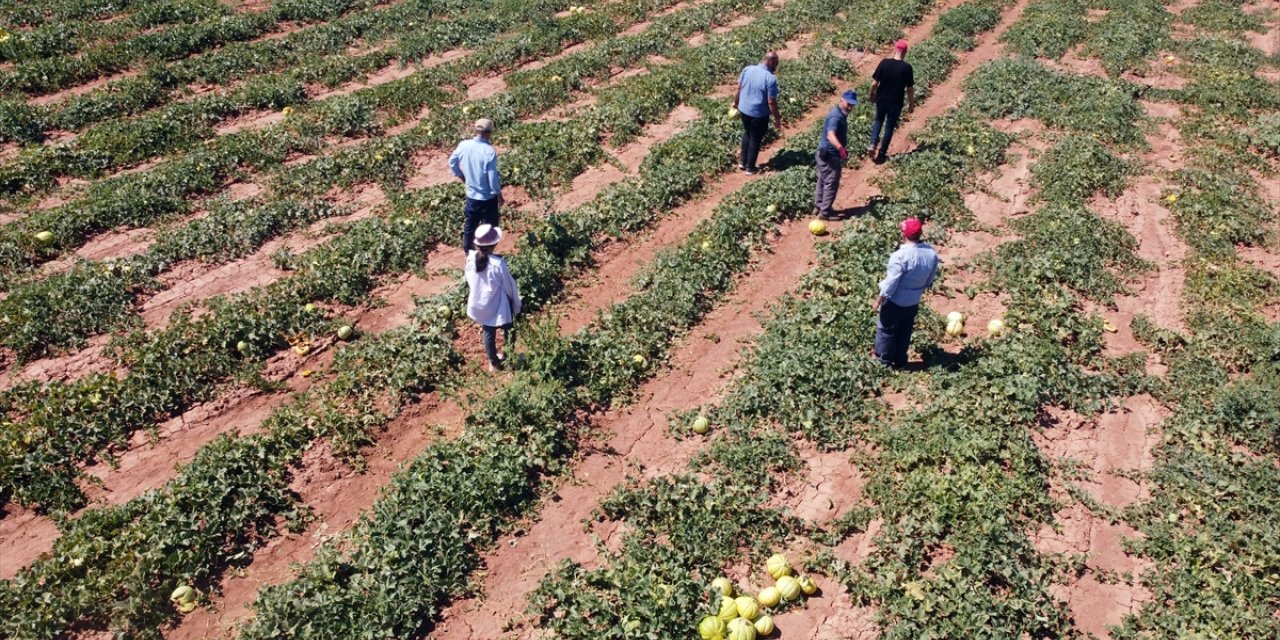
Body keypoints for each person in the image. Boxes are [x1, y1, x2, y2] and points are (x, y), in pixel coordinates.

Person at [872, 218, 938, 369]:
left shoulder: (900, 256)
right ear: (920, 233)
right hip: (913, 300)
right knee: (905, 329)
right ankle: (901, 360)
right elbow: (930, 279)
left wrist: (879, 299)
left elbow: (891, 282)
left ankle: (884, 360)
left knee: (886, 329)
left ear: (903, 234)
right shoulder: (931, 254)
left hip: (895, 300)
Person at [465, 224, 522, 372]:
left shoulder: (471, 259)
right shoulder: (498, 264)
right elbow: (509, 286)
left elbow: (470, 279)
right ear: (494, 244)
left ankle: (494, 362)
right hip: (498, 302)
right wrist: (516, 303)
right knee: (509, 328)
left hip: (479, 302)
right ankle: (509, 359)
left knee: (488, 330)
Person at [449, 118, 503, 252]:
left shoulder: (464, 145)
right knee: (489, 229)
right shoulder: (489, 151)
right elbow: (492, 179)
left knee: (470, 225)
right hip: (487, 199)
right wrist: (498, 195)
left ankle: (468, 252)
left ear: (476, 130)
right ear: (489, 132)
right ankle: (485, 255)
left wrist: (463, 177)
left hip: (471, 196)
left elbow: (452, 162)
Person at [867, 40, 915, 164]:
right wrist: (911, 103)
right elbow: (909, 89)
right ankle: (882, 153)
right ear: (905, 52)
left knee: (878, 120)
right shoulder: (907, 68)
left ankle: (872, 144)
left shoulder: (884, 63)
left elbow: (874, 83)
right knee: (889, 127)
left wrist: (871, 94)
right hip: (896, 102)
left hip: (881, 99)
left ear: (895, 50)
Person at [733, 52, 782, 176]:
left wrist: (735, 102)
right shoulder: (770, 78)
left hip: (744, 109)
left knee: (747, 133)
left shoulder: (747, 69)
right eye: (775, 64)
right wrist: (777, 118)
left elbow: (739, 88)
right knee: (755, 138)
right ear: (770, 62)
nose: (775, 67)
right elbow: (771, 101)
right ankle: (750, 168)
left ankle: (742, 162)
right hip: (758, 114)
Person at [813, 89, 858, 220]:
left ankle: (819, 205)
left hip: (824, 153)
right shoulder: (836, 116)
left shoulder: (839, 113)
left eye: (852, 104)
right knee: (831, 182)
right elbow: (830, 134)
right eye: (848, 103)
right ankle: (825, 212)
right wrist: (841, 148)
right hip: (830, 155)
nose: (850, 107)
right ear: (841, 100)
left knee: (823, 179)